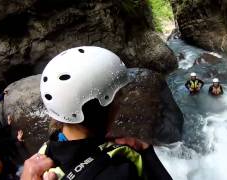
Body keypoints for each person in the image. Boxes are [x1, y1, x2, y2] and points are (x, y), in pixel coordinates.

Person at [21, 46, 172, 180]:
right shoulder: (119, 172)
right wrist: (147, 153)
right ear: (103, 109)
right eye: (117, 98)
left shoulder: (46, 153)